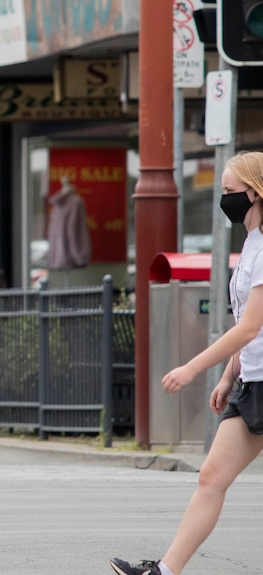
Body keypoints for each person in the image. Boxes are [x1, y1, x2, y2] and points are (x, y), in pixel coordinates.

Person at [110, 151, 263, 575]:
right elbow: (250, 328)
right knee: (211, 477)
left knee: (212, 476)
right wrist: (231, 374)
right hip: (254, 379)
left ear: (254, 192)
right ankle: (165, 571)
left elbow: (250, 327)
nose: (224, 199)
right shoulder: (252, 243)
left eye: (230, 191)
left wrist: (193, 368)